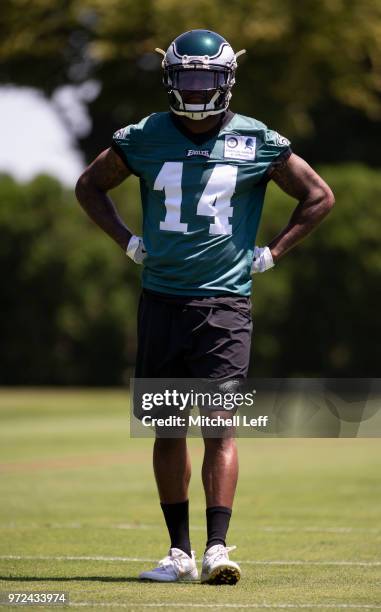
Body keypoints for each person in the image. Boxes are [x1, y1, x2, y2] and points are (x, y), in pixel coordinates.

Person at [75, 29, 334, 585]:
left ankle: (218, 548)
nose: (194, 91)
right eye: (185, 79)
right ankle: (179, 553)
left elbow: (319, 197)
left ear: (226, 81)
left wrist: (271, 254)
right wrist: (127, 241)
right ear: (170, 79)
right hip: (162, 299)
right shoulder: (144, 136)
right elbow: (89, 186)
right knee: (169, 429)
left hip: (224, 304)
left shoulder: (257, 140)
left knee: (218, 426)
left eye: (205, 80)